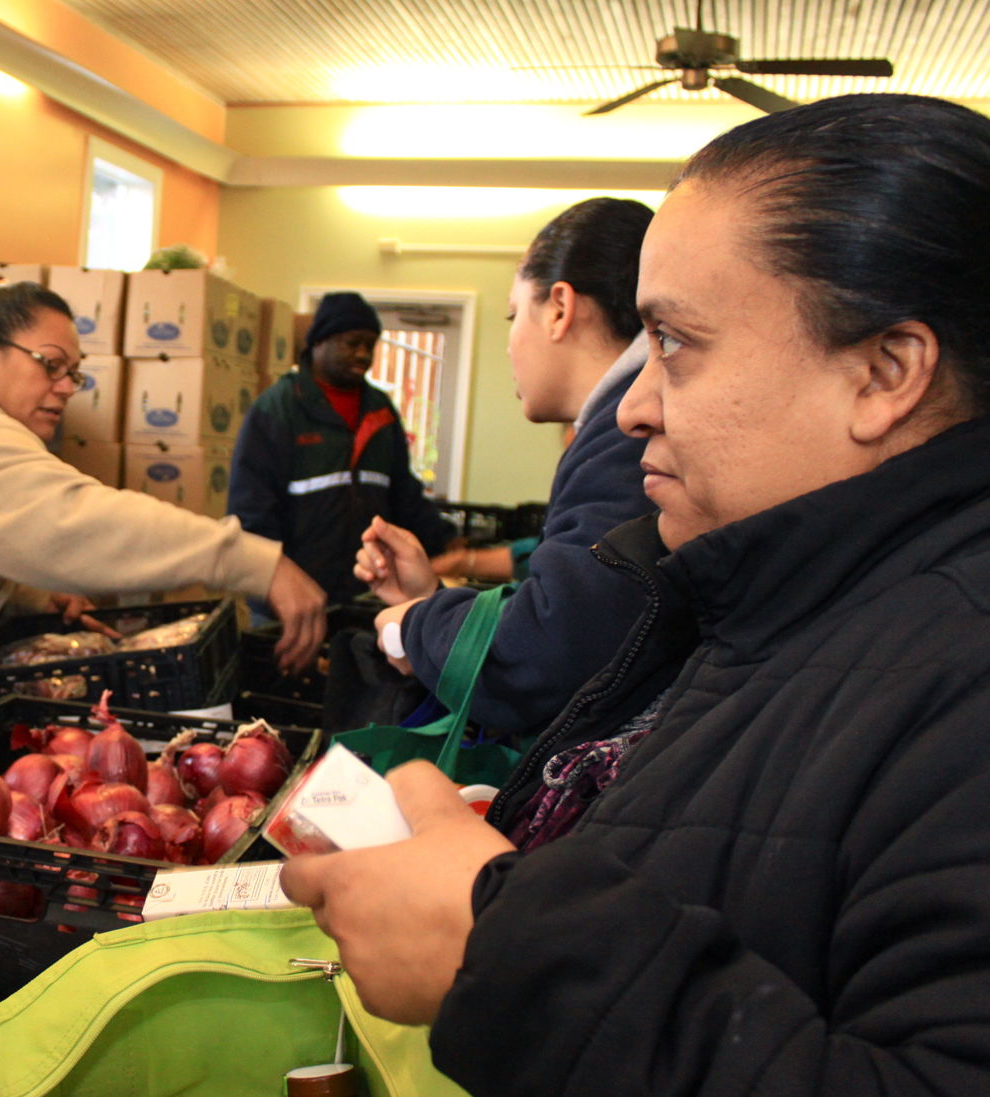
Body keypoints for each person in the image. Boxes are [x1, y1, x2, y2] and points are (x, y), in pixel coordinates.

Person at [282, 93, 990, 1095]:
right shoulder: (763, 606)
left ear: (883, 372)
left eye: (675, 343)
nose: (633, 409)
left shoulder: (957, 674)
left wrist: (504, 948)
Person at [0, 277, 327, 771]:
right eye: (50, 364)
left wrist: (29, 594)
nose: (67, 386)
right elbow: (85, 523)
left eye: (73, 372)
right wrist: (257, 563)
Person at [356, 198, 656, 740]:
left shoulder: (628, 439)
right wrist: (432, 598)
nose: (511, 343)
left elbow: (546, 653)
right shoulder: (615, 433)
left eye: (514, 316)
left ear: (559, 308)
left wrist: (416, 627)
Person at [228, 291, 455, 606]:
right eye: (352, 343)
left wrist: (446, 542)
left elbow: (403, 494)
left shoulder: (381, 411)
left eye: (370, 345)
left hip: (368, 593)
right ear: (319, 342)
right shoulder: (277, 408)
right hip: (291, 598)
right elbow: (251, 510)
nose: (363, 354)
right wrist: (271, 586)